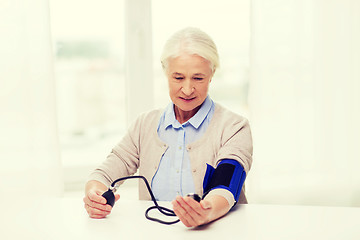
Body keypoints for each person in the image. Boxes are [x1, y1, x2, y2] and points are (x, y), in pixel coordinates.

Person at [83, 27, 253, 227]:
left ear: (212, 73)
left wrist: (205, 212)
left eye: (198, 78)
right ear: (165, 73)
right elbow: (105, 173)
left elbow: (226, 184)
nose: (188, 89)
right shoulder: (144, 124)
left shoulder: (234, 126)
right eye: (178, 77)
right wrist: (94, 194)